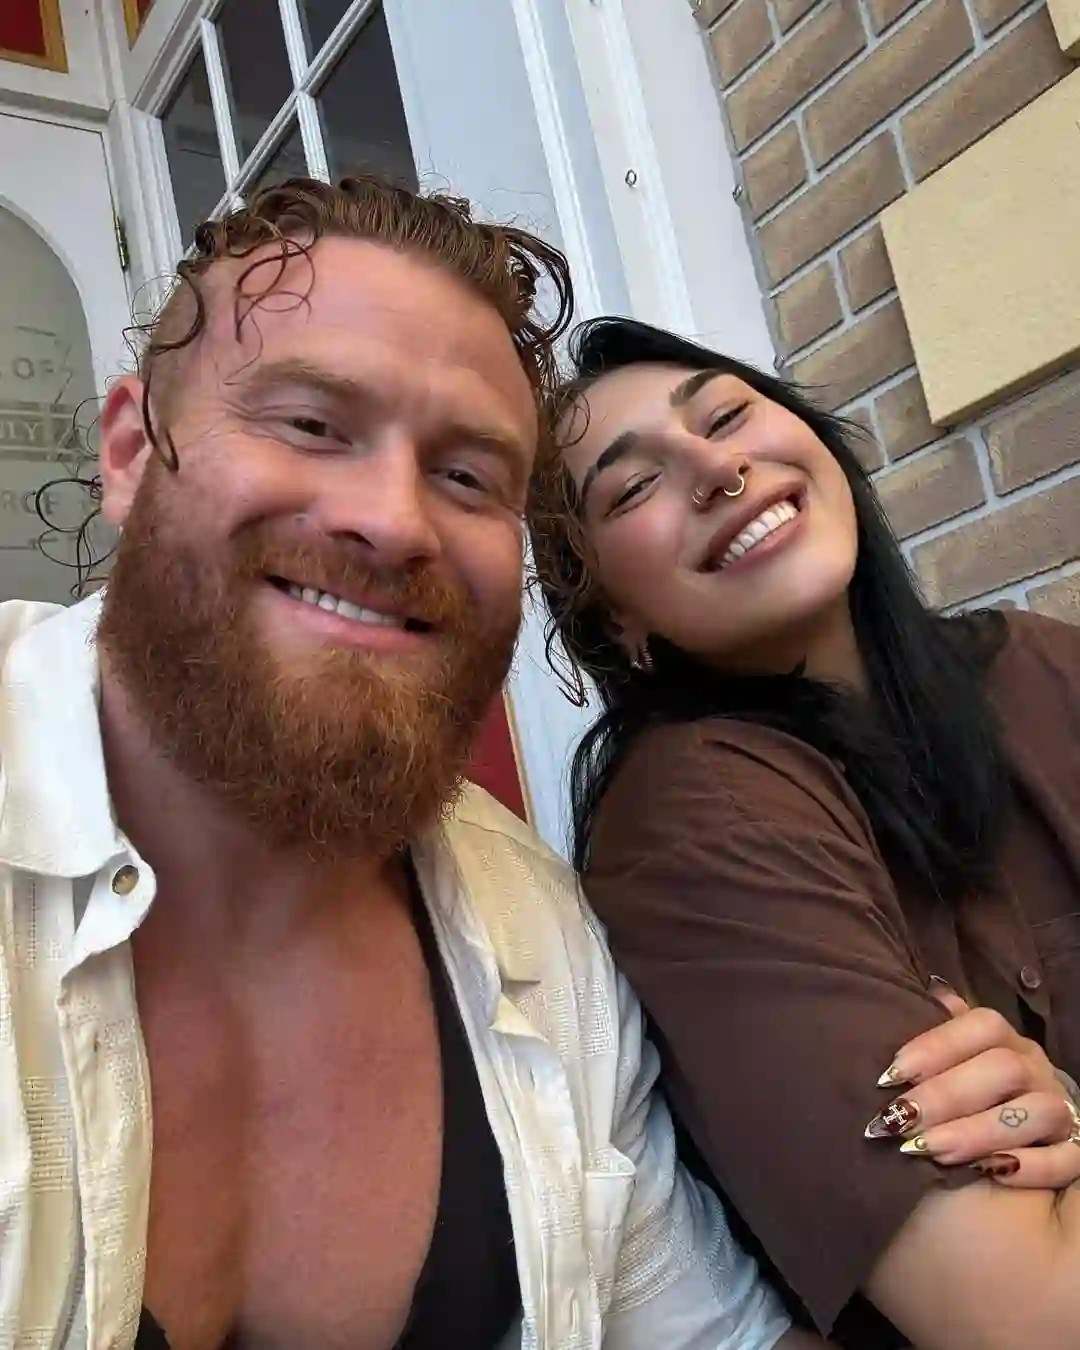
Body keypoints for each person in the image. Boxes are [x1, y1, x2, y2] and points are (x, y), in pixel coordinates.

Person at [0, 178, 1061, 1350]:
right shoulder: (696, 816)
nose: (393, 521)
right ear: (128, 452)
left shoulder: (535, 931)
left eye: (467, 475)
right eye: (311, 424)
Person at [526, 315, 1080, 1350]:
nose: (718, 470)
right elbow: (1027, 1314)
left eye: (725, 416)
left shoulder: (1040, 666)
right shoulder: (691, 818)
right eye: (633, 488)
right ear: (615, 624)